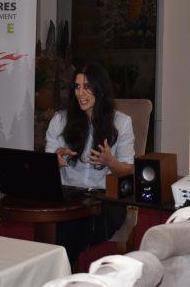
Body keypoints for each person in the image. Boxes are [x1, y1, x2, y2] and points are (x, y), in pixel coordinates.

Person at [45, 62, 135, 269]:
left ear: (100, 89)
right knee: (59, 224)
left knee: (68, 230)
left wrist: (110, 162)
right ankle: (63, 270)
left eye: (87, 87)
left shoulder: (121, 122)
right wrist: (54, 160)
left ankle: (59, 270)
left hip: (105, 198)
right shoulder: (60, 120)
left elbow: (128, 169)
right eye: (77, 87)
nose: (80, 93)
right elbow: (47, 164)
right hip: (69, 194)